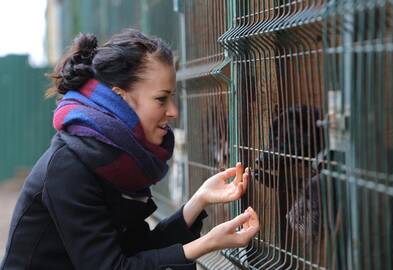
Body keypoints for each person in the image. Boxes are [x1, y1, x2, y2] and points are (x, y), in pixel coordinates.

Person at [0, 29, 260, 270]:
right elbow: (111, 267)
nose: (173, 112)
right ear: (119, 96)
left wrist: (199, 199)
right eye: (161, 99)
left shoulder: (118, 158)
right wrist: (207, 243)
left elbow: (138, 251)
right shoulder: (70, 167)